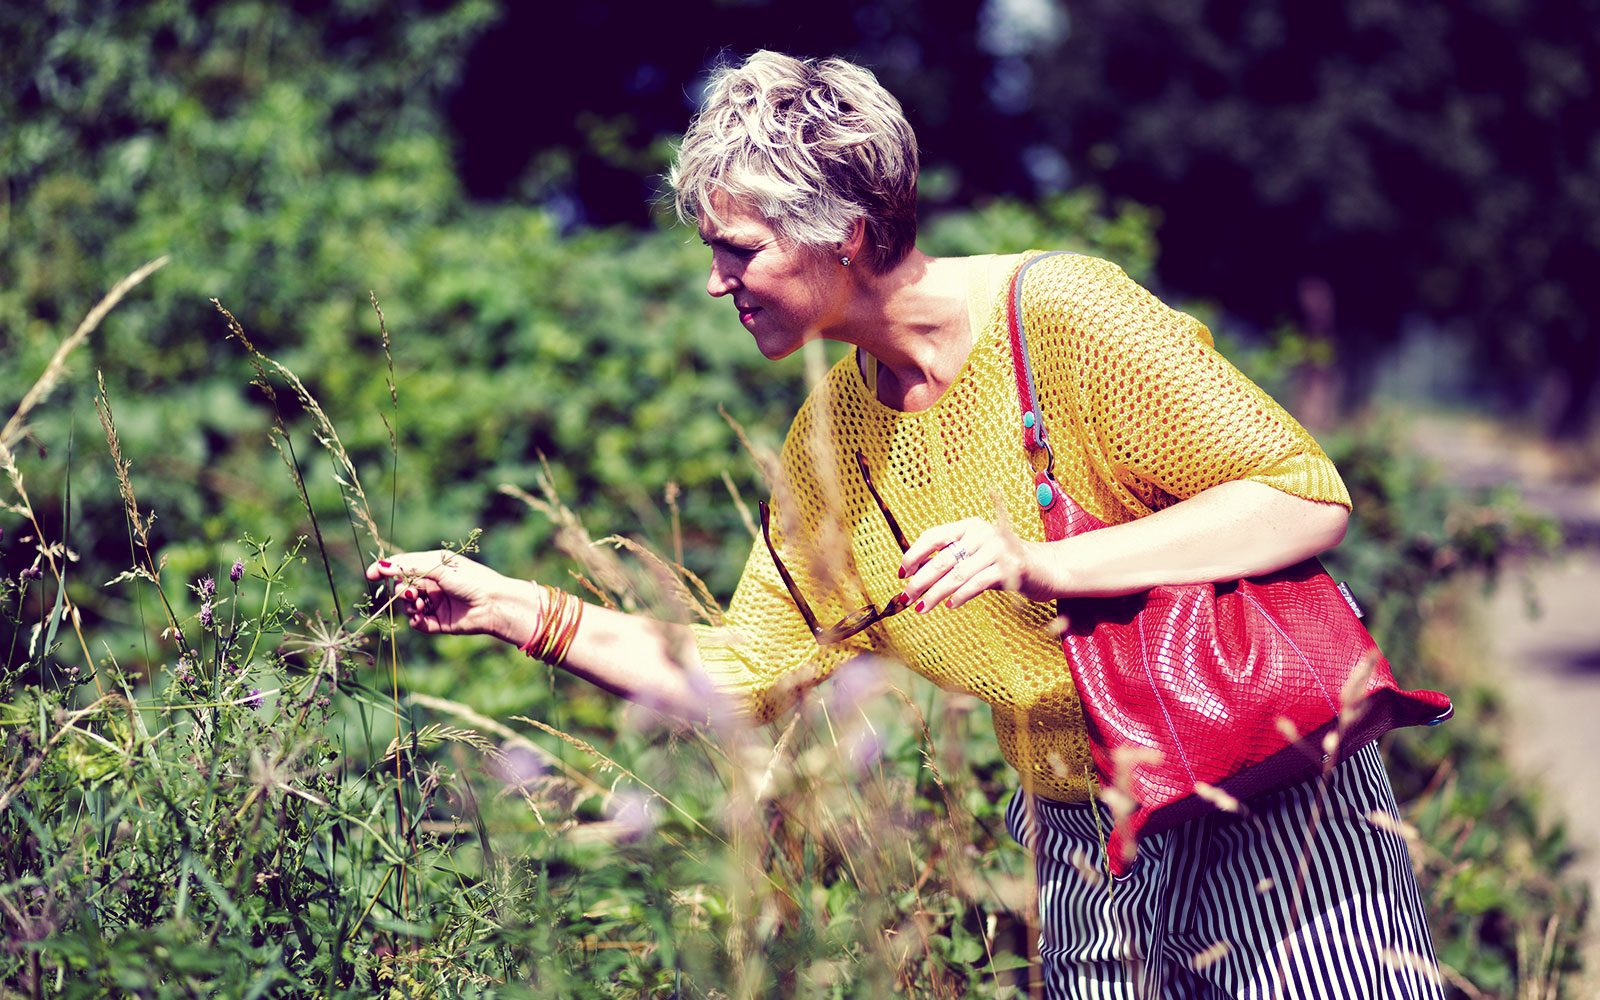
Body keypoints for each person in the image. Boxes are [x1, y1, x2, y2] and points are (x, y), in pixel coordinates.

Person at [367, 50, 1442, 999]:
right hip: (1084, 836)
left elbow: (1302, 493)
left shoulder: (1060, 313)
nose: (714, 281)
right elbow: (744, 668)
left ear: (845, 232)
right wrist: (511, 606)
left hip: (1260, 779)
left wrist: (1045, 562)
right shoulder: (828, 436)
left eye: (737, 249)